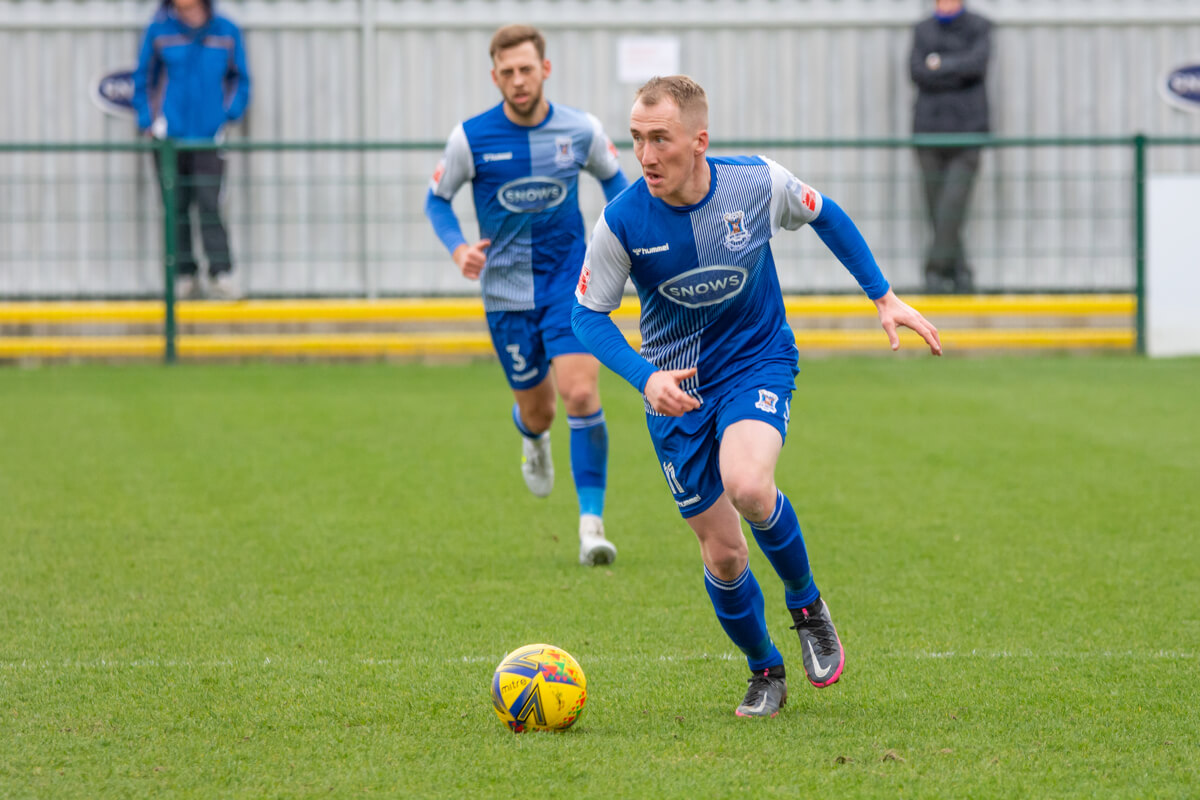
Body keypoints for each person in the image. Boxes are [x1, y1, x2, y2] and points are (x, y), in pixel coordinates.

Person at [571, 76, 941, 717]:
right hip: (678, 391)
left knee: (747, 484)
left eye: (661, 139)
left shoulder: (756, 183)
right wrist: (646, 378)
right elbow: (587, 316)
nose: (647, 155)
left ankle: (806, 603)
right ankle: (765, 669)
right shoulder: (624, 220)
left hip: (756, 362)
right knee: (723, 551)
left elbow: (825, 213)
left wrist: (882, 295)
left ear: (699, 141)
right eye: (636, 139)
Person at [425, 24, 629, 566]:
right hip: (506, 295)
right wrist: (458, 249)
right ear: (495, 76)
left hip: (571, 283)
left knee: (581, 396)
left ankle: (592, 527)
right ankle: (532, 438)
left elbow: (618, 184)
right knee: (538, 413)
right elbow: (437, 200)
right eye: (507, 72)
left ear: (546, 69)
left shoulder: (581, 129)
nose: (518, 80)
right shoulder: (470, 138)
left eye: (526, 69)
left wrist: (619, 239)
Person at [133, 0, 250, 301]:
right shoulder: (159, 31)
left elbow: (240, 79)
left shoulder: (226, 31)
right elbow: (143, 78)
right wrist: (150, 121)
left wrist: (228, 114)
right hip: (169, 141)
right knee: (175, 208)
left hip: (209, 139)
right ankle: (183, 275)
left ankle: (220, 273)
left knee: (211, 205)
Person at [909, 0, 991, 294]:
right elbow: (917, 70)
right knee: (937, 208)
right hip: (928, 134)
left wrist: (939, 64)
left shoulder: (980, 26)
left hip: (968, 134)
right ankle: (960, 273)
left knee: (952, 205)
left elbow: (976, 65)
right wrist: (955, 66)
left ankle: (934, 272)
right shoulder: (923, 29)